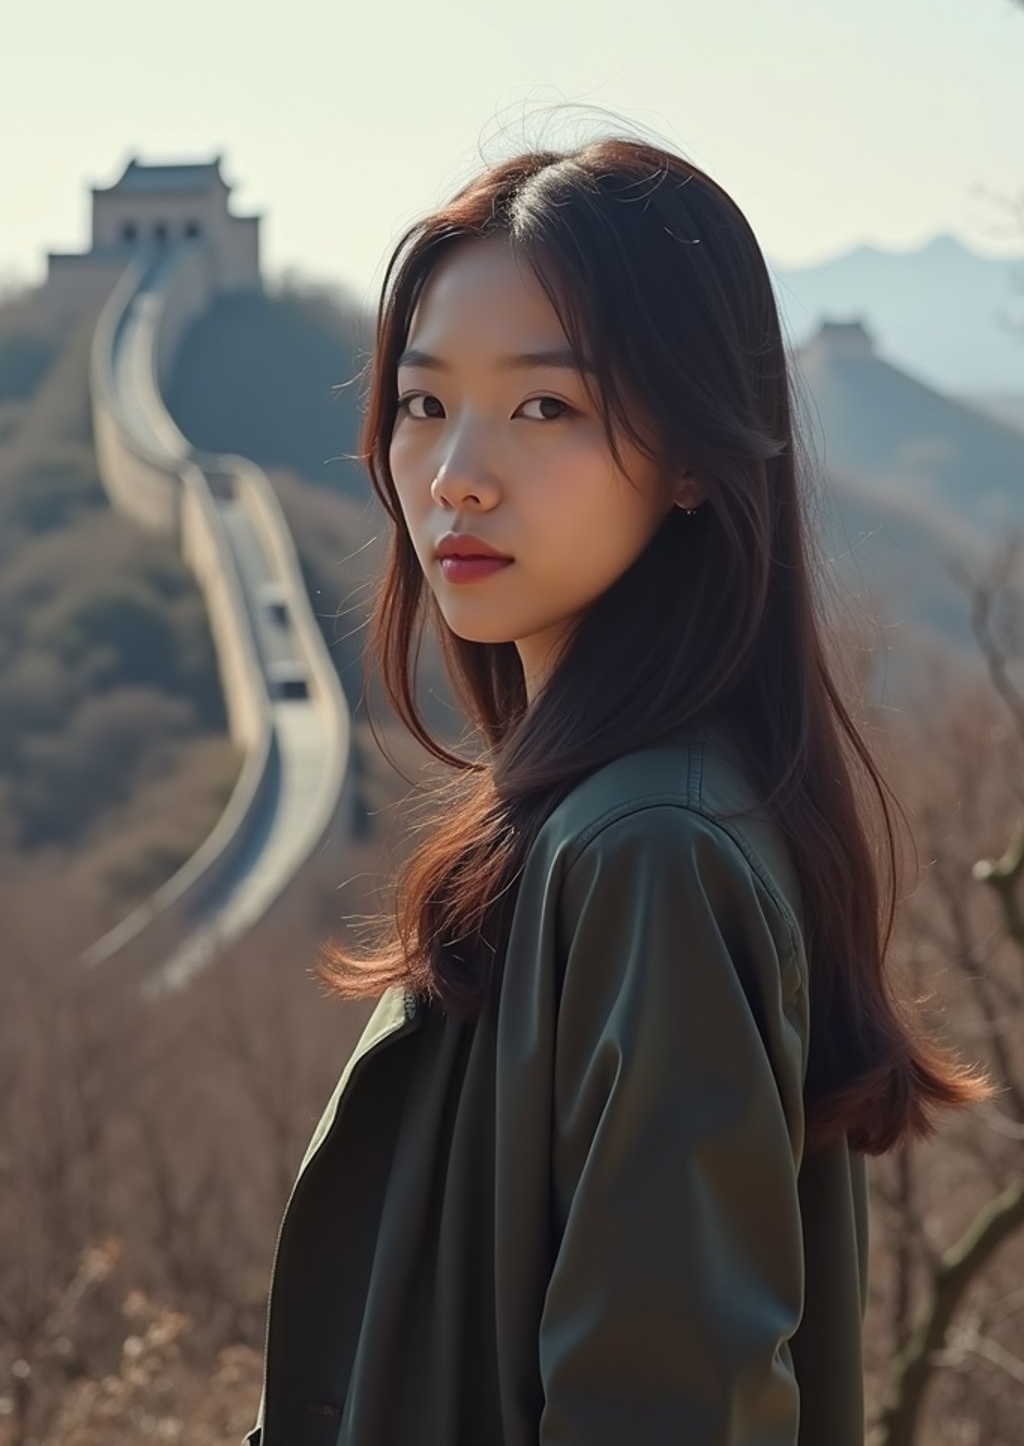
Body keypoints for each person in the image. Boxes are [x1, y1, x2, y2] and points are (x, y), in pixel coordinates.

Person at [243, 125, 991, 1445]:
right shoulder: (598, 819)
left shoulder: (652, 850)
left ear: (697, 453)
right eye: (424, 403)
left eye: (548, 406)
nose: (457, 472)